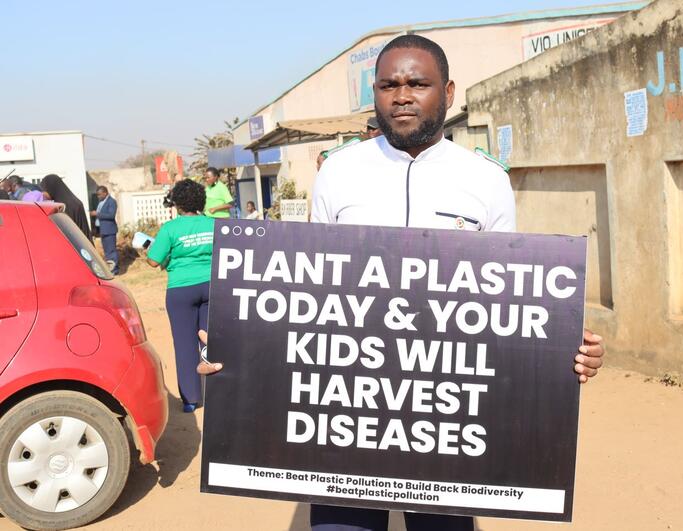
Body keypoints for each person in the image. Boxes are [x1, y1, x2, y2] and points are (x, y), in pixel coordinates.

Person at [202, 35, 605, 531]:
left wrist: (566, 351)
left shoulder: (486, 180)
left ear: (449, 92)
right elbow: (301, 296)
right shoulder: (338, 173)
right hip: (344, 416)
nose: (402, 95)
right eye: (389, 84)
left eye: (418, 83)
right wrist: (238, 338)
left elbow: (509, 305)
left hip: (446, 422)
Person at [146, 179, 215, 413]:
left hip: (181, 291)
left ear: (177, 203)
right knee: (211, 340)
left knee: (185, 345)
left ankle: (191, 399)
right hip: (212, 287)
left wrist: (147, 249)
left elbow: (154, 261)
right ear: (200, 201)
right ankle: (218, 393)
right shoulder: (214, 224)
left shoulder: (170, 229)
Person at [40, 174, 92, 240]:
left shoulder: (68, 206)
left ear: (51, 189)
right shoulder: (66, 203)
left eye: (44, 190)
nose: (43, 194)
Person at [90, 186, 119, 275]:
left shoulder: (111, 202)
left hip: (110, 230)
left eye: (99, 194)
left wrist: (97, 214)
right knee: (107, 251)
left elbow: (111, 215)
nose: (98, 196)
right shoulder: (101, 202)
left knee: (111, 251)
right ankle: (110, 269)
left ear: (105, 193)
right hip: (103, 230)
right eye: (97, 195)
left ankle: (114, 270)